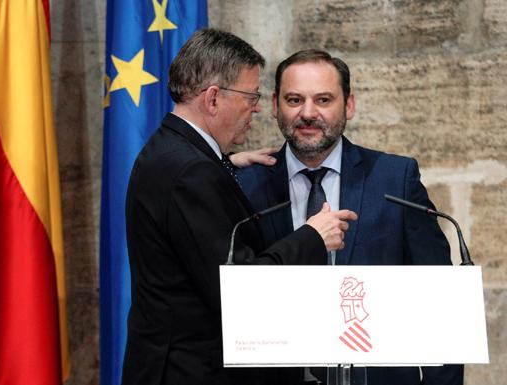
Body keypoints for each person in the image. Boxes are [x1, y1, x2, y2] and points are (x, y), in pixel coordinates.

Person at [121, 30, 357, 385]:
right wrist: (312, 236)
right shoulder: (191, 171)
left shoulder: (177, 153)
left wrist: (224, 163)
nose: (258, 107)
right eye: (251, 95)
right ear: (213, 99)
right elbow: (240, 291)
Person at [237, 49, 464, 385]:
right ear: (274, 106)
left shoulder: (395, 179)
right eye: (295, 100)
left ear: (350, 105)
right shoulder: (245, 184)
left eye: (324, 100)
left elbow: (441, 307)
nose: (308, 113)